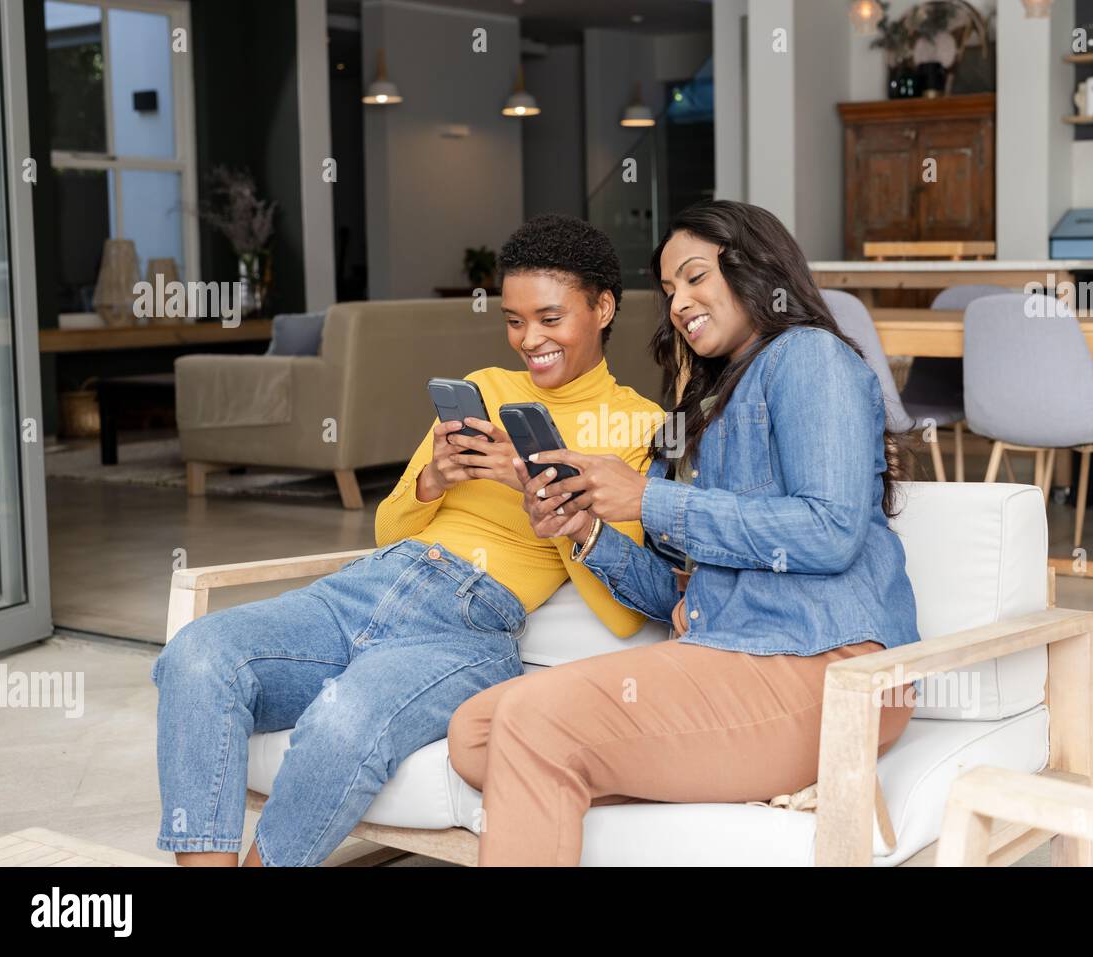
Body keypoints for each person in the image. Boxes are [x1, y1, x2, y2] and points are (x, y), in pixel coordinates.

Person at [151, 215, 664, 866]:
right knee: (197, 654)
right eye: (512, 319)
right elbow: (386, 528)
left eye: (550, 318)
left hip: (469, 627)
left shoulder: (637, 425)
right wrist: (431, 479)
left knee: (344, 716)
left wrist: (545, 496)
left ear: (604, 306)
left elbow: (623, 612)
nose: (529, 340)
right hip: (369, 587)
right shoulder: (482, 388)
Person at [447, 199, 920, 866]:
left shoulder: (809, 358)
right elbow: (674, 586)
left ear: (758, 268)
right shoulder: (701, 408)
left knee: (532, 725)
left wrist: (648, 496)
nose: (679, 302)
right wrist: (587, 532)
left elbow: (831, 529)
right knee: (476, 731)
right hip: (731, 655)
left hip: (831, 666)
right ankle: (700, 774)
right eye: (669, 289)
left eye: (697, 277)